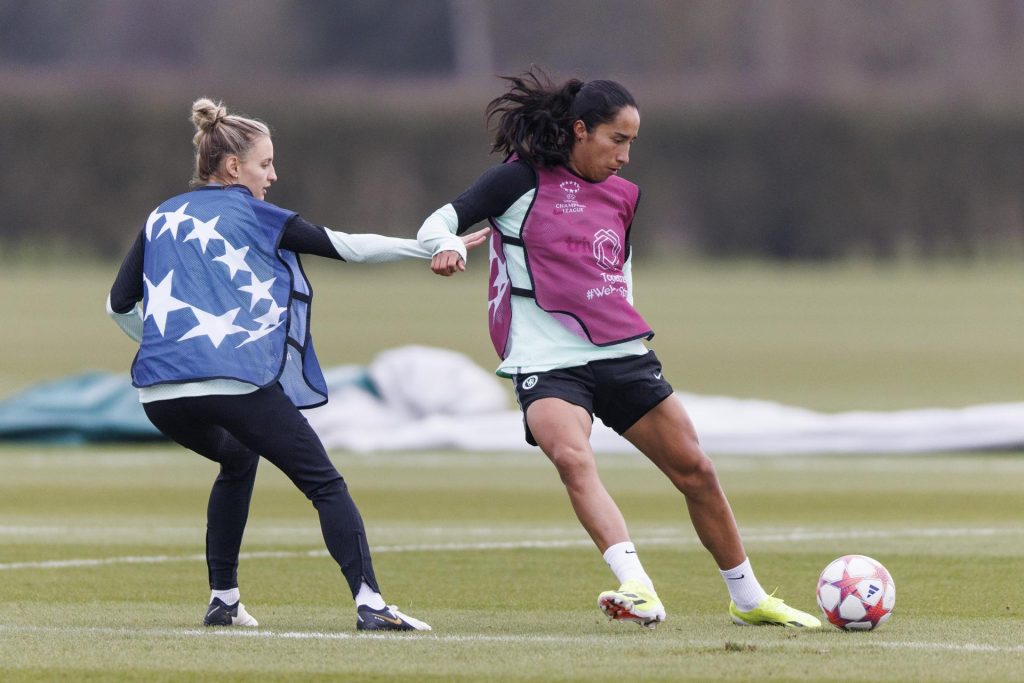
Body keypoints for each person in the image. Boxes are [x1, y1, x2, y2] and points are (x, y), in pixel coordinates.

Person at [417, 69, 820, 629]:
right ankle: (638, 588)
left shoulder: (624, 196)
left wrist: (627, 333)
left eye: (633, 143)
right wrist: (446, 247)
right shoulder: (516, 182)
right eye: (617, 140)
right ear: (580, 130)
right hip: (543, 358)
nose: (626, 156)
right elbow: (437, 222)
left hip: (618, 351)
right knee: (573, 458)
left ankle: (748, 599)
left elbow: (618, 273)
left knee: (696, 470)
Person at [107, 98, 488, 631]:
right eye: (265, 164)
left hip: (159, 396)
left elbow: (118, 304)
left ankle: (224, 600)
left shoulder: (160, 214)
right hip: (233, 382)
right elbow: (348, 247)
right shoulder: (254, 213)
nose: (274, 175)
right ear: (234, 168)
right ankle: (371, 605)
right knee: (324, 484)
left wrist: (165, 347)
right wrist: (426, 249)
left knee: (238, 460)